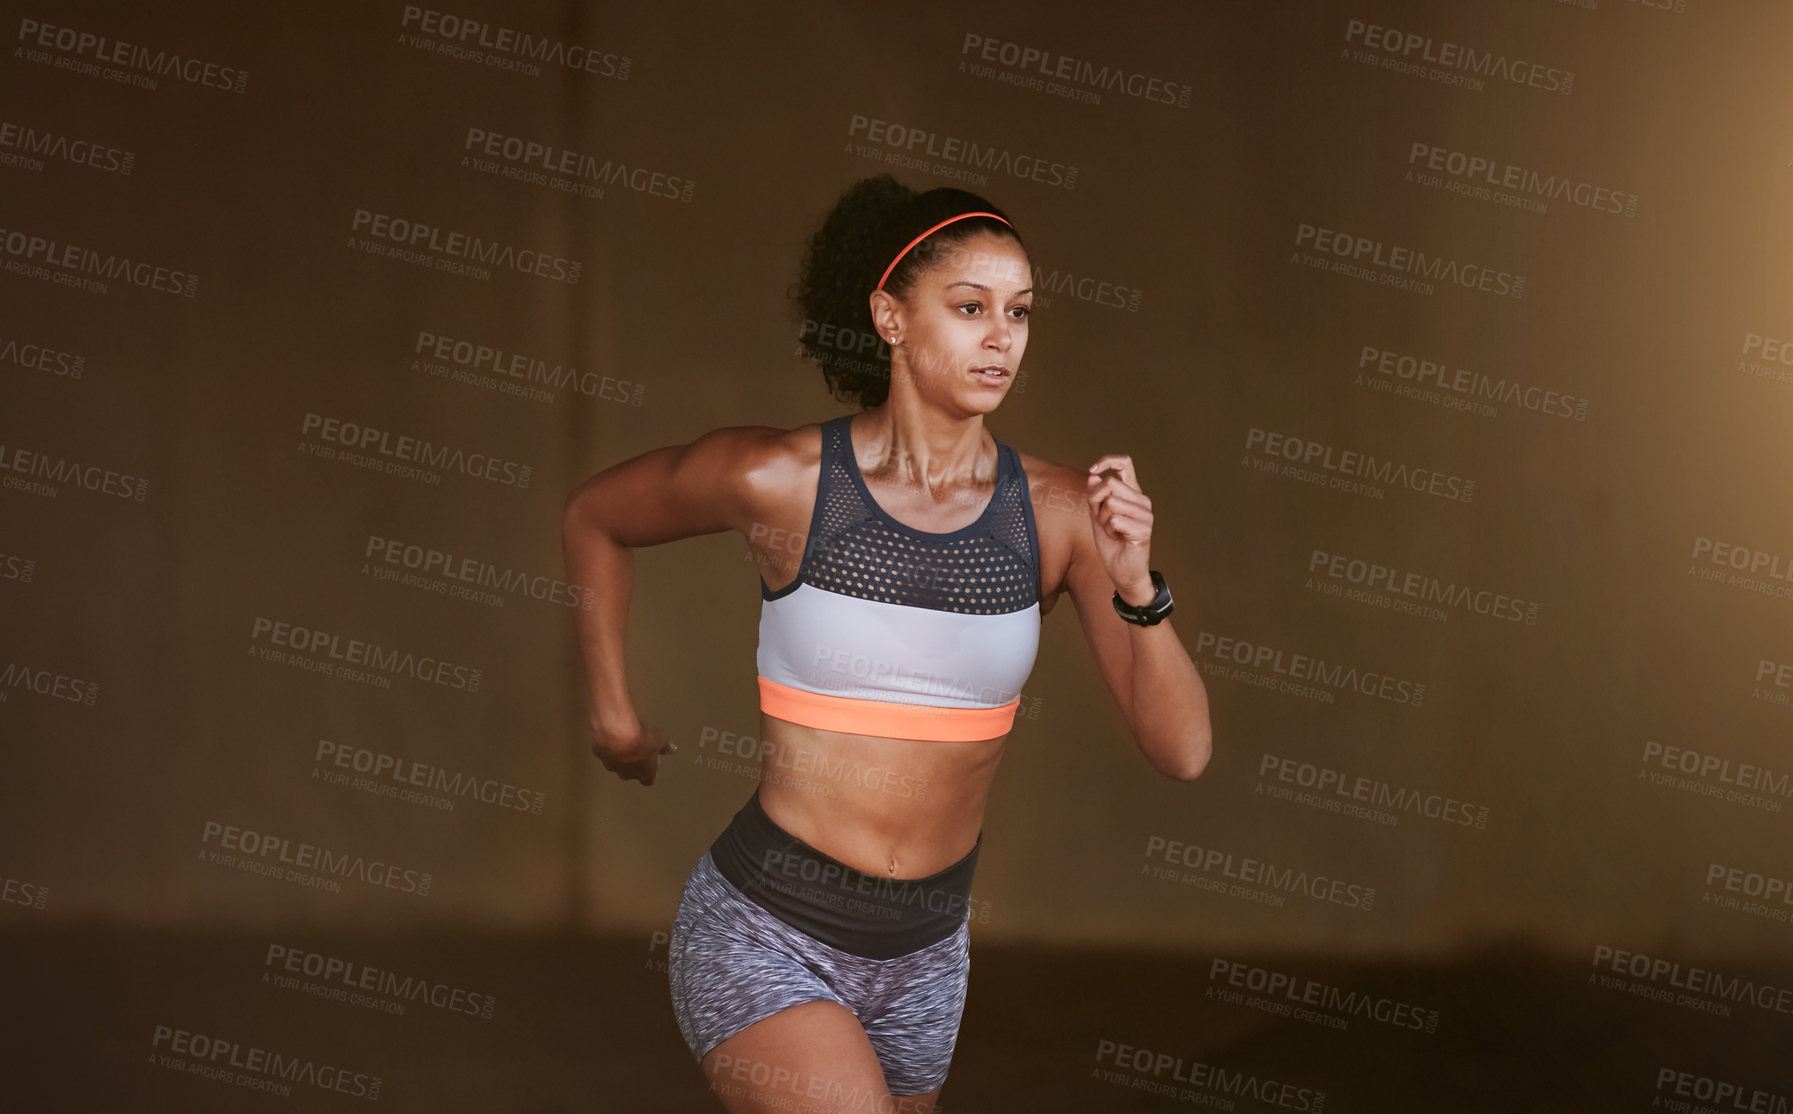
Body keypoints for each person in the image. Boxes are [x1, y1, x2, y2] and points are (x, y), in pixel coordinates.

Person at [561, 173, 1211, 1112]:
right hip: (765, 930)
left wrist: (1139, 585)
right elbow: (596, 517)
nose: (1001, 337)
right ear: (890, 318)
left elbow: (1183, 752)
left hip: (926, 959)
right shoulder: (779, 478)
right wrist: (613, 719)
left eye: (1019, 313)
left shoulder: (1064, 515)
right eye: (969, 307)